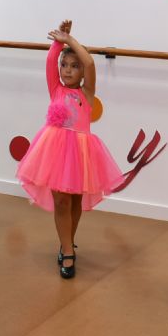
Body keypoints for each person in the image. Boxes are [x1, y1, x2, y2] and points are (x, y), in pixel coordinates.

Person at [16, 20, 124, 278]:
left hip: (81, 154)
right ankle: (67, 250)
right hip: (54, 152)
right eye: (65, 65)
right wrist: (59, 42)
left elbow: (90, 63)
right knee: (61, 201)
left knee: (75, 201)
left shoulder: (86, 94)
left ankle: (67, 242)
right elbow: (51, 61)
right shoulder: (56, 90)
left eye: (74, 67)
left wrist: (71, 41)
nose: (67, 70)